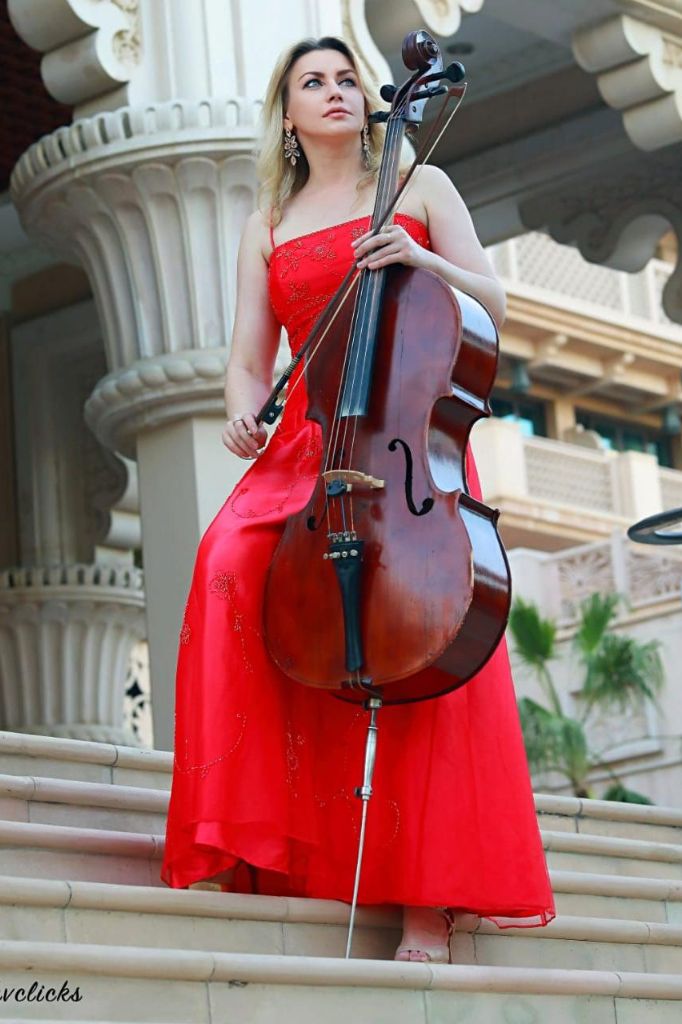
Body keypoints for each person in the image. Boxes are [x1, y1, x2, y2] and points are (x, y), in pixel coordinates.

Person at [161, 35, 555, 963]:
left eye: (346, 79)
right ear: (288, 116)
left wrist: (423, 265)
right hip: (303, 444)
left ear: (368, 102)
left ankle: (431, 901)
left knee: (419, 625)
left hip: (407, 437)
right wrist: (238, 415)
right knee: (225, 568)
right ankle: (247, 844)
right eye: (314, 82)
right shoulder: (268, 221)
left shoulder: (420, 185)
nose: (335, 91)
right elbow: (249, 363)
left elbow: (494, 301)